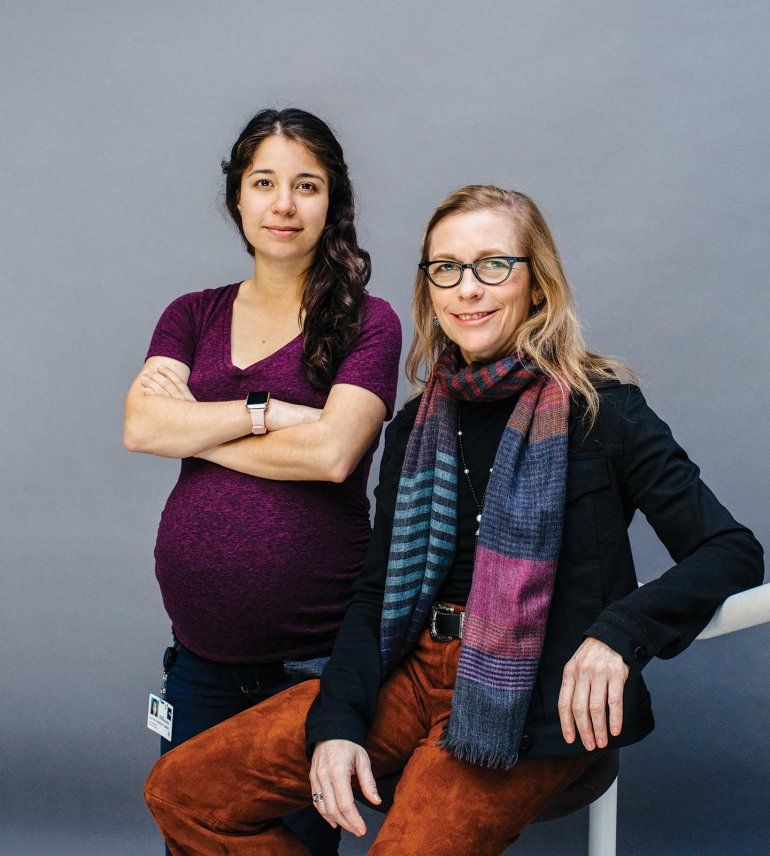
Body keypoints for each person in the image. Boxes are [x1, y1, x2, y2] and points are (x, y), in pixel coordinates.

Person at [143, 185, 764, 855]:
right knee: (182, 791)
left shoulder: (602, 410)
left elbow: (730, 550)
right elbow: (376, 592)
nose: (468, 288)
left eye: (493, 264)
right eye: (447, 269)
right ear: (430, 289)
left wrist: (619, 633)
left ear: (536, 283)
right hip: (413, 673)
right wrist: (338, 720)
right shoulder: (417, 426)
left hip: (532, 693)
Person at [123, 108, 401, 855]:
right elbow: (143, 428)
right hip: (198, 666)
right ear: (237, 199)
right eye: (265, 182)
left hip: (309, 669)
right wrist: (267, 415)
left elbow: (332, 456)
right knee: (193, 835)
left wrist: (203, 427)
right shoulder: (193, 314)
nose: (284, 204)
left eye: (306, 185)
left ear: (332, 201)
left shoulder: (366, 324)